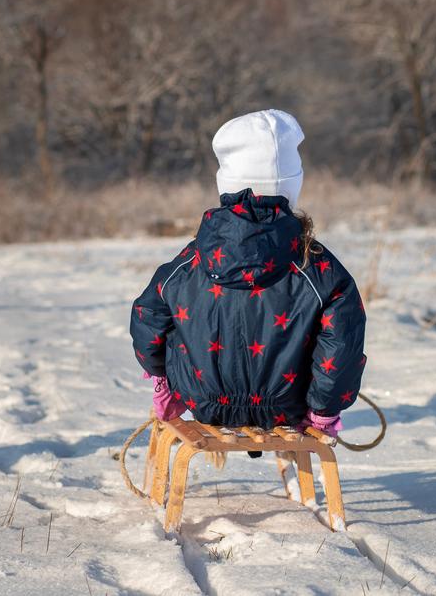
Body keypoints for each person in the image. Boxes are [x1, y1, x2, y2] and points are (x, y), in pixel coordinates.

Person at [129, 109, 366, 439]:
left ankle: (174, 387)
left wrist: (163, 376)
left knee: (168, 312)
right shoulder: (318, 267)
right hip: (288, 405)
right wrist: (323, 411)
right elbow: (342, 342)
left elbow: (147, 316)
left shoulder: (191, 260)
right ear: (291, 186)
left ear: (227, 185)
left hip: (201, 399)